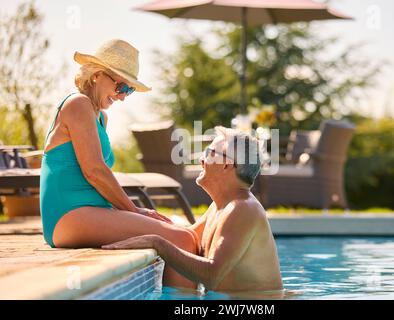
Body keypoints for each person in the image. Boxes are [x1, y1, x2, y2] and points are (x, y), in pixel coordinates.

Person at [39, 39, 197, 288]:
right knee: (182, 241)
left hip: (89, 212)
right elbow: (94, 171)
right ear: (97, 76)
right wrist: (133, 211)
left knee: (187, 234)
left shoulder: (100, 116)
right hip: (68, 216)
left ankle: (184, 297)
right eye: (121, 86)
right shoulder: (77, 104)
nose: (123, 97)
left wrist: (132, 210)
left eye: (129, 90)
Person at [103, 127, 283, 293]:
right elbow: (184, 237)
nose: (201, 159)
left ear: (227, 164)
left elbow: (211, 276)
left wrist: (157, 243)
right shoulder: (221, 207)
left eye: (209, 153)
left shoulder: (242, 209)